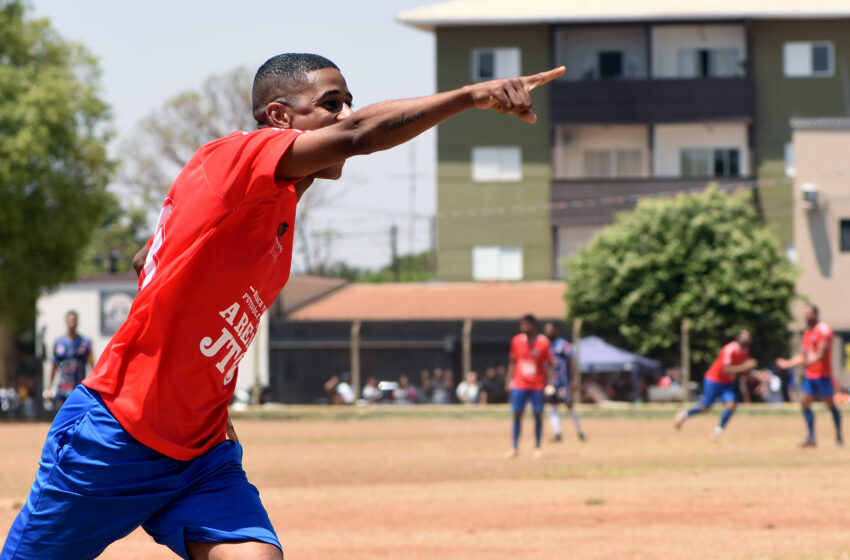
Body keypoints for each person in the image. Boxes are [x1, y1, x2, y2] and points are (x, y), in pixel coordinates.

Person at [1, 53, 564, 560]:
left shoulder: (273, 209)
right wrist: (470, 96)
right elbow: (361, 135)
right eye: (330, 104)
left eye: (348, 102)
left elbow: (147, 258)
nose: (346, 113)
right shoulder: (234, 159)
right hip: (116, 439)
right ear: (278, 117)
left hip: (200, 453)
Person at [776, 305, 841, 447]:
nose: (806, 316)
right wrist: (788, 364)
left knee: (830, 405)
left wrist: (808, 362)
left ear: (816, 314)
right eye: (805, 313)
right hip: (810, 375)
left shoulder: (823, 330)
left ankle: (839, 437)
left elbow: (821, 352)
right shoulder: (807, 333)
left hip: (822, 375)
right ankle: (811, 438)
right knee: (805, 403)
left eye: (808, 313)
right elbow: (803, 355)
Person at [675, 330, 757, 440]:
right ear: (737, 338)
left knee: (731, 405)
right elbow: (726, 369)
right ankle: (684, 415)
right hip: (713, 380)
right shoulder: (729, 349)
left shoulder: (745, 352)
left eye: (748, 336)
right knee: (705, 407)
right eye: (745, 336)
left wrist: (753, 372)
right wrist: (745, 367)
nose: (748, 338)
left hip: (728, 383)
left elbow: (741, 371)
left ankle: (717, 432)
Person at [506, 314, 554, 458]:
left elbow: (549, 364)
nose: (524, 327)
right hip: (520, 383)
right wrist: (508, 380)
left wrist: (550, 383)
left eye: (527, 324)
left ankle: (538, 446)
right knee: (517, 414)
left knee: (538, 414)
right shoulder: (516, 341)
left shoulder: (543, 343)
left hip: (537, 384)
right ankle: (514, 447)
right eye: (522, 324)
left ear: (534, 325)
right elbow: (513, 361)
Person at [543, 322, 586, 442]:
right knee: (553, 406)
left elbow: (572, 364)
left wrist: (574, 380)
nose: (548, 332)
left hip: (563, 382)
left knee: (569, 405)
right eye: (546, 330)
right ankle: (557, 433)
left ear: (556, 330)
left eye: (550, 330)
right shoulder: (545, 345)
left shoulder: (563, 345)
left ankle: (579, 431)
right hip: (550, 383)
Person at [45, 310, 94, 410]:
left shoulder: (85, 343)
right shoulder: (58, 343)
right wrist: (49, 388)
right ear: (65, 322)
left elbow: (92, 366)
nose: (72, 323)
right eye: (69, 320)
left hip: (80, 388)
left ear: (77, 322)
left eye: (74, 320)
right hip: (62, 388)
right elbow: (54, 366)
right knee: (62, 417)